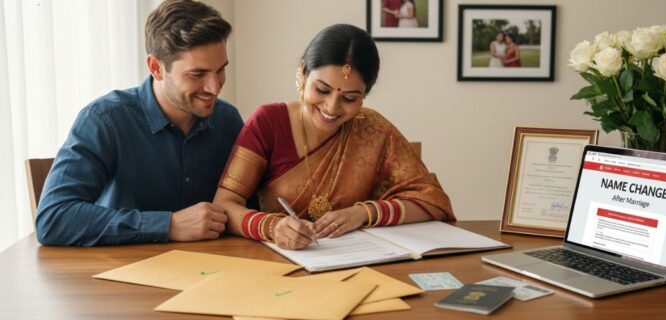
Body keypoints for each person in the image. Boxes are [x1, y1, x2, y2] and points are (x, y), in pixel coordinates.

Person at [213, 24, 454, 250]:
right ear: (303, 73)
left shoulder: (374, 130)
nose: (331, 107)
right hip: (279, 263)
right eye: (322, 90)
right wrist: (273, 227)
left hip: (360, 263)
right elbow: (224, 205)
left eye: (349, 99)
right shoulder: (268, 123)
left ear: (364, 95)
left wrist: (363, 214)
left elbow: (432, 201)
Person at [35, 0, 249, 246]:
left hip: (212, 274)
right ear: (156, 67)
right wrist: (168, 225)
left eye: (220, 70)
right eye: (197, 74)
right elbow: (53, 218)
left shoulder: (228, 120)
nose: (214, 87)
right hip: (118, 276)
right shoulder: (104, 120)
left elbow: (250, 205)